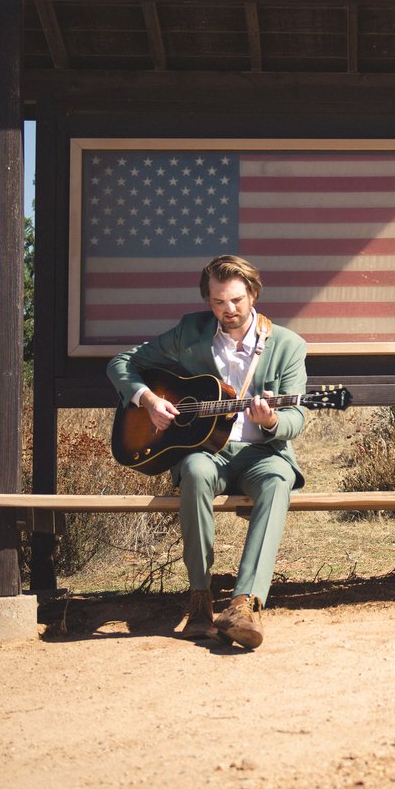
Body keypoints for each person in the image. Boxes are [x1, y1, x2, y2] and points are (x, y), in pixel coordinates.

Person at [107, 255, 308, 649]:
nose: (228, 309)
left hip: (262, 453)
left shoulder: (287, 345)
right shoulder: (190, 332)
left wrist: (271, 420)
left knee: (278, 480)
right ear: (208, 300)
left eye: (236, 300)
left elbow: (296, 418)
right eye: (218, 302)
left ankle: (245, 604)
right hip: (207, 451)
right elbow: (122, 363)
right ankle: (199, 597)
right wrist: (148, 400)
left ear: (253, 294)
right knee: (195, 472)